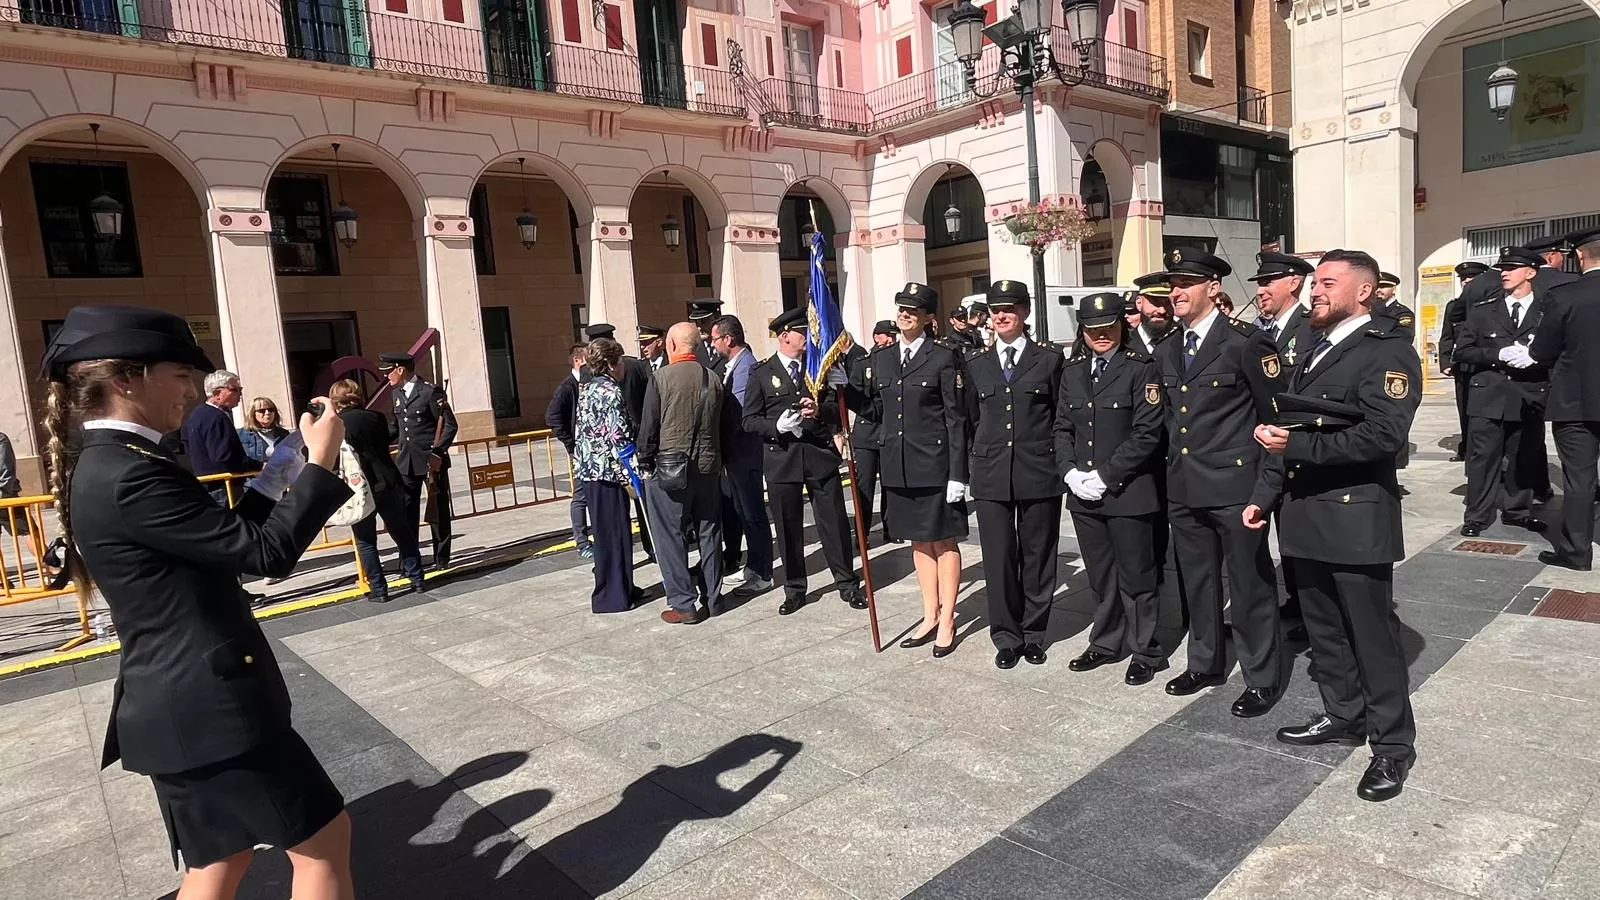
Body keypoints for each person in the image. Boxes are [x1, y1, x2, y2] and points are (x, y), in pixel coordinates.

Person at [40, 304, 356, 897]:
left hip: (178, 706)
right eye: (181, 375)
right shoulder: (131, 473)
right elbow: (265, 556)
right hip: (209, 708)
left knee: (219, 859)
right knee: (323, 843)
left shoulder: (117, 463)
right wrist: (319, 461)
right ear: (126, 380)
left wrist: (279, 470)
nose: (193, 390)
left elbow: (226, 543)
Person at [1245, 248, 1422, 803]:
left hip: (1353, 517)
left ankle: (1392, 747)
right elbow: (1289, 423)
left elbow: (1383, 437)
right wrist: (1264, 494)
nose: (1315, 291)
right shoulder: (1312, 347)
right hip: (1304, 515)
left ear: (1364, 291)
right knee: (1324, 633)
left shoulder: (1386, 352)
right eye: (1315, 283)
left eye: (1327, 283)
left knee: (1372, 640)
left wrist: (1296, 444)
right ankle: (1343, 715)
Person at [1154, 248, 1287, 716]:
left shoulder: (1245, 343)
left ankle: (1261, 676)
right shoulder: (1168, 347)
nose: (1176, 291)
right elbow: (1172, 420)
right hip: (1186, 488)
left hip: (1235, 489)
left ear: (1213, 288)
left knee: (1250, 585)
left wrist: (1264, 492)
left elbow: (1275, 422)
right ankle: (1205, 662)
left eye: (1187, 282)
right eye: (1173, 283)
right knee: (1198, 582)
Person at [1057, 291, 1167, 683]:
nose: (1101, 335)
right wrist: (1069, 472)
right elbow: (1062, 427)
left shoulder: (1141, 368)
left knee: (1137, 576)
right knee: (1101, 574)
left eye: (1108, 327)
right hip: (1083, 493)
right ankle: (1105, 641)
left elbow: (1147, 433)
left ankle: (1145, 649)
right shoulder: (1072, 372)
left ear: (1121, 324)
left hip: (1127, 492)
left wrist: (1104, 476)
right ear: (1082, 331)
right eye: (1092, 329)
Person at [855, 282, 968, 656]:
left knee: (943, 540)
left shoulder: (942, 357)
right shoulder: (883, 358)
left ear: (929, 318)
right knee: (919, 541)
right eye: (901, 308)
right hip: (899, 465)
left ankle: (948, 619)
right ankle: (929, 614)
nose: (904, 314)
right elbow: (878, 412)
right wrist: (848, 393)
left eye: (913, 310)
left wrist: (958, 473)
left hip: (935, 465)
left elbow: (956, 418)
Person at [966, 281, 1064, 669]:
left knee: (1039, 555)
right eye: (995, 310)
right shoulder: (976, 363)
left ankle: (1035, 633)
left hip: (1039, 469)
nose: (1001, 316)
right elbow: (971, 419)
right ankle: (1006, 636)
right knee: (999, 557)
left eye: (1009, 308)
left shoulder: (1049, 360)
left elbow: (1060, 416)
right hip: (992, 474)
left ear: (1025, 312)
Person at [743, 307, 864, 615]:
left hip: (818, 455)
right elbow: (749, 421)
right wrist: (775, 427)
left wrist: (824, 406)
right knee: (788, 527)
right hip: (782, 459)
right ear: (785, 336)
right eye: (803, 332)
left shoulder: (819, 370)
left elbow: (838, 414)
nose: (810, 338)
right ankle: (795, 587)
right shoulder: (761, 372)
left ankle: (847, 583)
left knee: (834, 522)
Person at [1453, 245, 1550, 537]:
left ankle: (1518, 511)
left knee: (1524, 456)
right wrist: (1498, 354)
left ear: (1530, 273)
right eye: (1502, 269)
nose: (1503, 273)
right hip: (1488, 396)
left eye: (1511, 269)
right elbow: (1463, 352)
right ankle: (1477, 515)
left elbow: (1560, 350)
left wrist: (1536, 356)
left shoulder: (1546, 311)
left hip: (1527, 395)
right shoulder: (1484, 312)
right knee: (1483, 459)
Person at [638, 323, 731, 623]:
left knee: (670, 535)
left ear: (674, 346)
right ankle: (714, 599)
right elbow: (725, 426)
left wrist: (645, 461)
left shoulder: (661, 378)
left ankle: (683, 603)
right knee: (709, 532)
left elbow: (649, 427)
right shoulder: (714, 378)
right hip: (709, 468)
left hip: (670, 470)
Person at [1248, 250, 1317, 635]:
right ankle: (1295, 600)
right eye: (1259, 282)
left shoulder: (1310, 329)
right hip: (1260, 450)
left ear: (1293, 282)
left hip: (1294, 446)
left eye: (1267, 282)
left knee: (1296, 531)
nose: (1261, 290)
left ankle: (1310, 608)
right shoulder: (1260, 331)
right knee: (1272, 529)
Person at [1530, 225, 1600, 571]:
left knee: (1579, 479)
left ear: (1580, 255)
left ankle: (1576, 551)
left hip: (1576, 402)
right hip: (1576, 402)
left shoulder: (1565, 296)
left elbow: (1542, 350)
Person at [330, 379, 425, 602]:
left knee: (366, 541)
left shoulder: (337, 424)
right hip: (387, 481)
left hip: (359, 487)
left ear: (336, 400)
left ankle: (379, 589)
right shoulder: (376, 417)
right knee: (402, 533)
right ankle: (417, 578)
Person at [573, 337, 640, 613]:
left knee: (605, 534)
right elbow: (618, 439)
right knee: (616, 534)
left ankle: (619, 586)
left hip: (590, 472)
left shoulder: (587, 389)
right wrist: (630, 476)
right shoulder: (611, 393)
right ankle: (613, 595)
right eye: (620, 360)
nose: (623, 365)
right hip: (609, 474)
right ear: (612, 364)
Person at [710, 315, 774, 594]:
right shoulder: (732, 366)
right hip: (735, 455)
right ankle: (753, 566)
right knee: (743, 512)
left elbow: (737, 416)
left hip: (744, 453)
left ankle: (763, 573)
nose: (712, 346)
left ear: (728, 339)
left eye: (714, 339)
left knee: (753, 514)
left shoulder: (746, 368)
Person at [378, 352, 459, 570]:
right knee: (406, 511)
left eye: (388, 372)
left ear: (400, 369)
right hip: (406, 462)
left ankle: (441, 558)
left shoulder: (430, 392)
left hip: (432, 461)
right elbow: (396, 428)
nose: (387, 377)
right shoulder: (397, 394)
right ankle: (410, 559)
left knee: (437, 510)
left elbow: (450, 426)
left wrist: (438, 452)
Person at [583, 323, 655, 559]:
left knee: (608, 529)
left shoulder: (588, 382)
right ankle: (651, 550)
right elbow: (620, 437)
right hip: (622, 459)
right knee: (634, 516)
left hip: (594, 466)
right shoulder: (618, 382)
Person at [845, 320, 898, 544]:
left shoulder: (898, 362)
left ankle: (891, 528)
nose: (892, 340)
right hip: (867, 433)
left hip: (891, 432)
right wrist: (874, 411)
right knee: (864, 487)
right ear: (876, 337)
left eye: (894, 336)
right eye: (887, 335)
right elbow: (852, 396)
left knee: (891, 484)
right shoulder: (862, 363)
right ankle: (862, 532)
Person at [1441, 261, 1492, 462]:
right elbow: (1447, 336)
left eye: (1471, 278)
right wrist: (1445, 361)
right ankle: (1466, 448)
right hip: (1462, 366)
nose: (1466, 282)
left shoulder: (1491, 306)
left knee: (1483, 411)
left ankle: (1483, 449)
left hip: (1484, 366)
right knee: (1464, 408)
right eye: (1463, 279)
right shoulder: (1453, 306)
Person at [547, 344, 593, 559]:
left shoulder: (588, 383)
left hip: (593, 449)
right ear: (577, 360)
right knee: (581, 495)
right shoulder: (567, 387)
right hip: (580, 450)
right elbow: (553, 417)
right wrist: (571, 444)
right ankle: (582, 541)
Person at [181, 369, 251, 493]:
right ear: (217, 393)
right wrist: (257, 466)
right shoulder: (216, 417)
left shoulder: (196, 414)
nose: (240, 394)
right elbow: (225, 458)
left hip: (206, 487)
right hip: (223, 488)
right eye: (235, 389)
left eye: (241, 389)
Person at [1129, 273, 1179, 356]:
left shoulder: (1182, 343)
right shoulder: (1123, 344)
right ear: (1139, 303)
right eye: (1155, 302)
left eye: (1168, 302)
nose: (1162, 310)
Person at [238, 397, 291, 465]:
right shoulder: (241, 435)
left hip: (280, 474)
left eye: (271, 410)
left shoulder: (283, 434)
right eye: (262, 411)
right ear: (252, 413)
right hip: (255, 474)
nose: (267, 413)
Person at [688, 300, 727, 377]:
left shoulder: (729, 344)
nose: (699, 328)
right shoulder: (694, 349)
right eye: (696, 323)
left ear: (717, 319)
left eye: (704, 322)